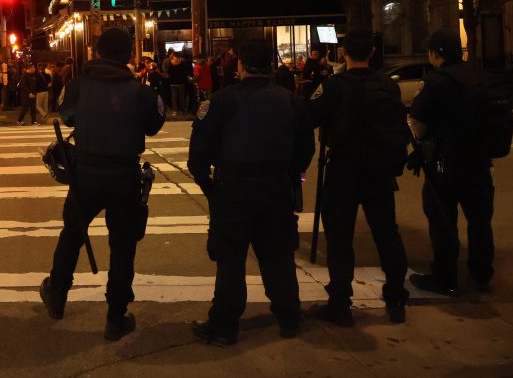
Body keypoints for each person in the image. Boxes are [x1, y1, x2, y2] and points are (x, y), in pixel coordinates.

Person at [40, 28, 165, 341]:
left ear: (96, 53)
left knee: (72, 234)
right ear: (128, 57)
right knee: (123, 248)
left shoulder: (76, 87)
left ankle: (57, 293)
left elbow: (66, 116)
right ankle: (116, 316)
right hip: (124, 176)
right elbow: (154, 126)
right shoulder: (141, 92)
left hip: (86, 173)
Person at [187, 39, 315, 345]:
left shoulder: (221, 101)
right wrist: (291, 177)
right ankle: (288, 317)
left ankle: (224, 327)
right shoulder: (292, 101)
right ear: (269, 67)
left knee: (231, 261)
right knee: (278, 257)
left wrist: (210, 188)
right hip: (276, 187)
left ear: (240, 66)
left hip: (233, 188)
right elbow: (306, 150)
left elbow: (198, 157)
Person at [306, 29, 410, 325]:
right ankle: (395, 296)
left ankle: (340, 303)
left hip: (345, 170)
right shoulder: (387, 86)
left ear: (344, 53)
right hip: (379, 171)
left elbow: (309, 115)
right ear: (373, 53)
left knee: (339, 239)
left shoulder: (335, 86)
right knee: (387, 234)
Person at [409, 29, 508, 296]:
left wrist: (423, 142)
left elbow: (417, 122)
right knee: (479, 220)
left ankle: (445, 277)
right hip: (479, 162)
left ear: (436, 53)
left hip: (446, 163)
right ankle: (481, 273)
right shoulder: (482, 77)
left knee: (443, 221)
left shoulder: (436, 81)